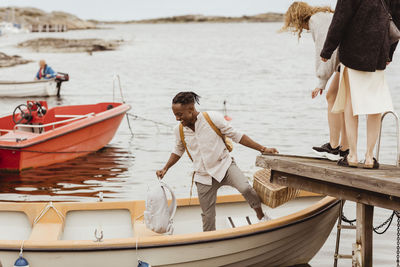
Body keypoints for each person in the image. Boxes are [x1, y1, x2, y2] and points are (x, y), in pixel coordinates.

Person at [156, 92, 278, 232]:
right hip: (203, 176)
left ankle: (261, 215)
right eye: (175, 115)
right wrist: (165, 168)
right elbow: (178, 150)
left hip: (224, 166)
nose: (177, 118)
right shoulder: (179, 130)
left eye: (180, 114)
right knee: (207, 215)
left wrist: (263, 149)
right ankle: (210, 240)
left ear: (191, 109)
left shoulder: (212, 118)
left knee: (246, 188)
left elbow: (237, 136)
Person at [320, 0, 400, 168]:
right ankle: (370, 157)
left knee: (350, 104)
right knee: (375, 106)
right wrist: (389, 54)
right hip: (378, 54)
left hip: (353, 52)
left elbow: (340, 20)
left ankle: (353, 155)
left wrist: (327, 50)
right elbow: (397, 23)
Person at [280, 2, 349, 161]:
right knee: (336, 99)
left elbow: (325, 51)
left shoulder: (317, 20)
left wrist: (321, 81)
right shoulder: (322, 16)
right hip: (345, 60)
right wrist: (323, 81)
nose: (301, 29)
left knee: (336, 99)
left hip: (346, 60)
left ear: (298, 18)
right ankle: (343, 148)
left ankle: (336, 146)